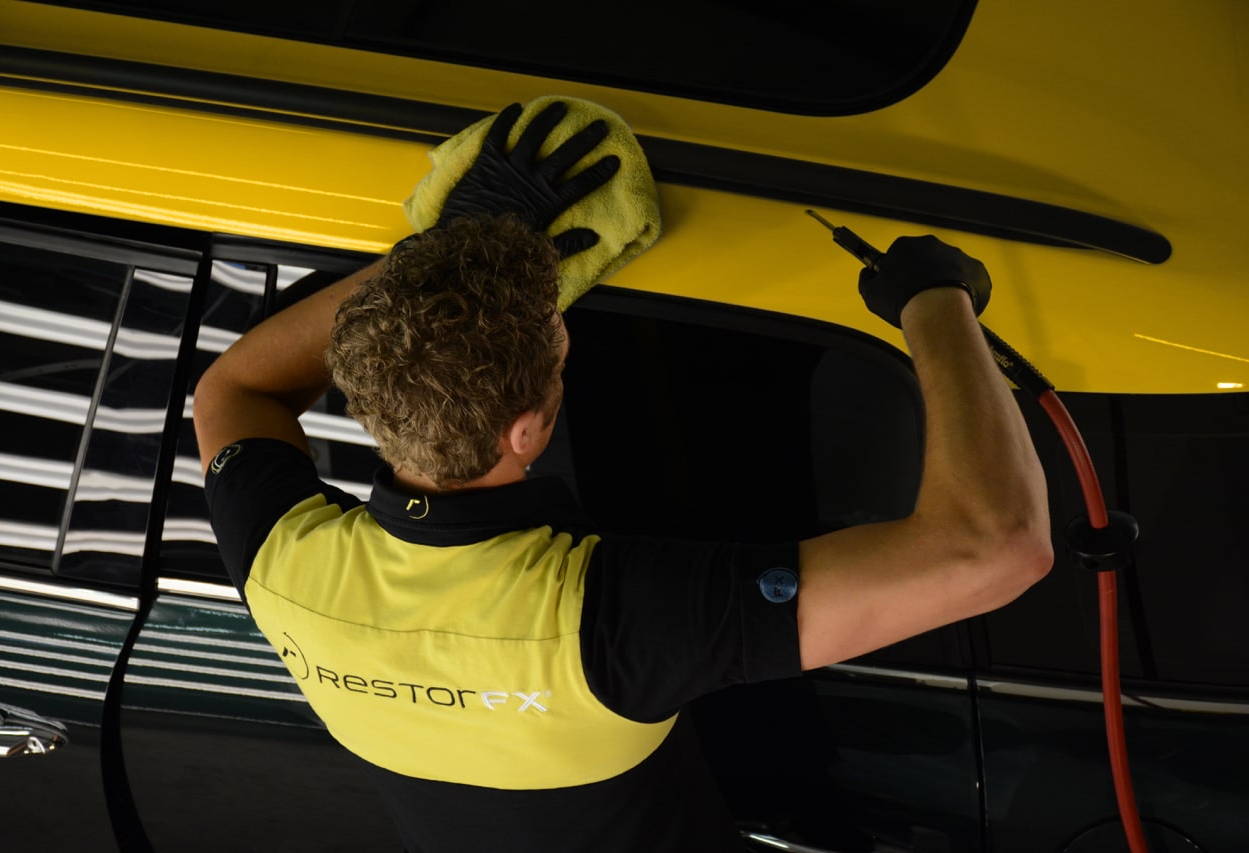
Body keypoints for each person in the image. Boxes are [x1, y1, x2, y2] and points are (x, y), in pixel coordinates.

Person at [194, 104, 1052, 852]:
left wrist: (441, 263)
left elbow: (234, 387)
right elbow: (993, 545)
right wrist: (935, 302)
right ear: (527, 427)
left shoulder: (285, 568)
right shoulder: (605, 624)